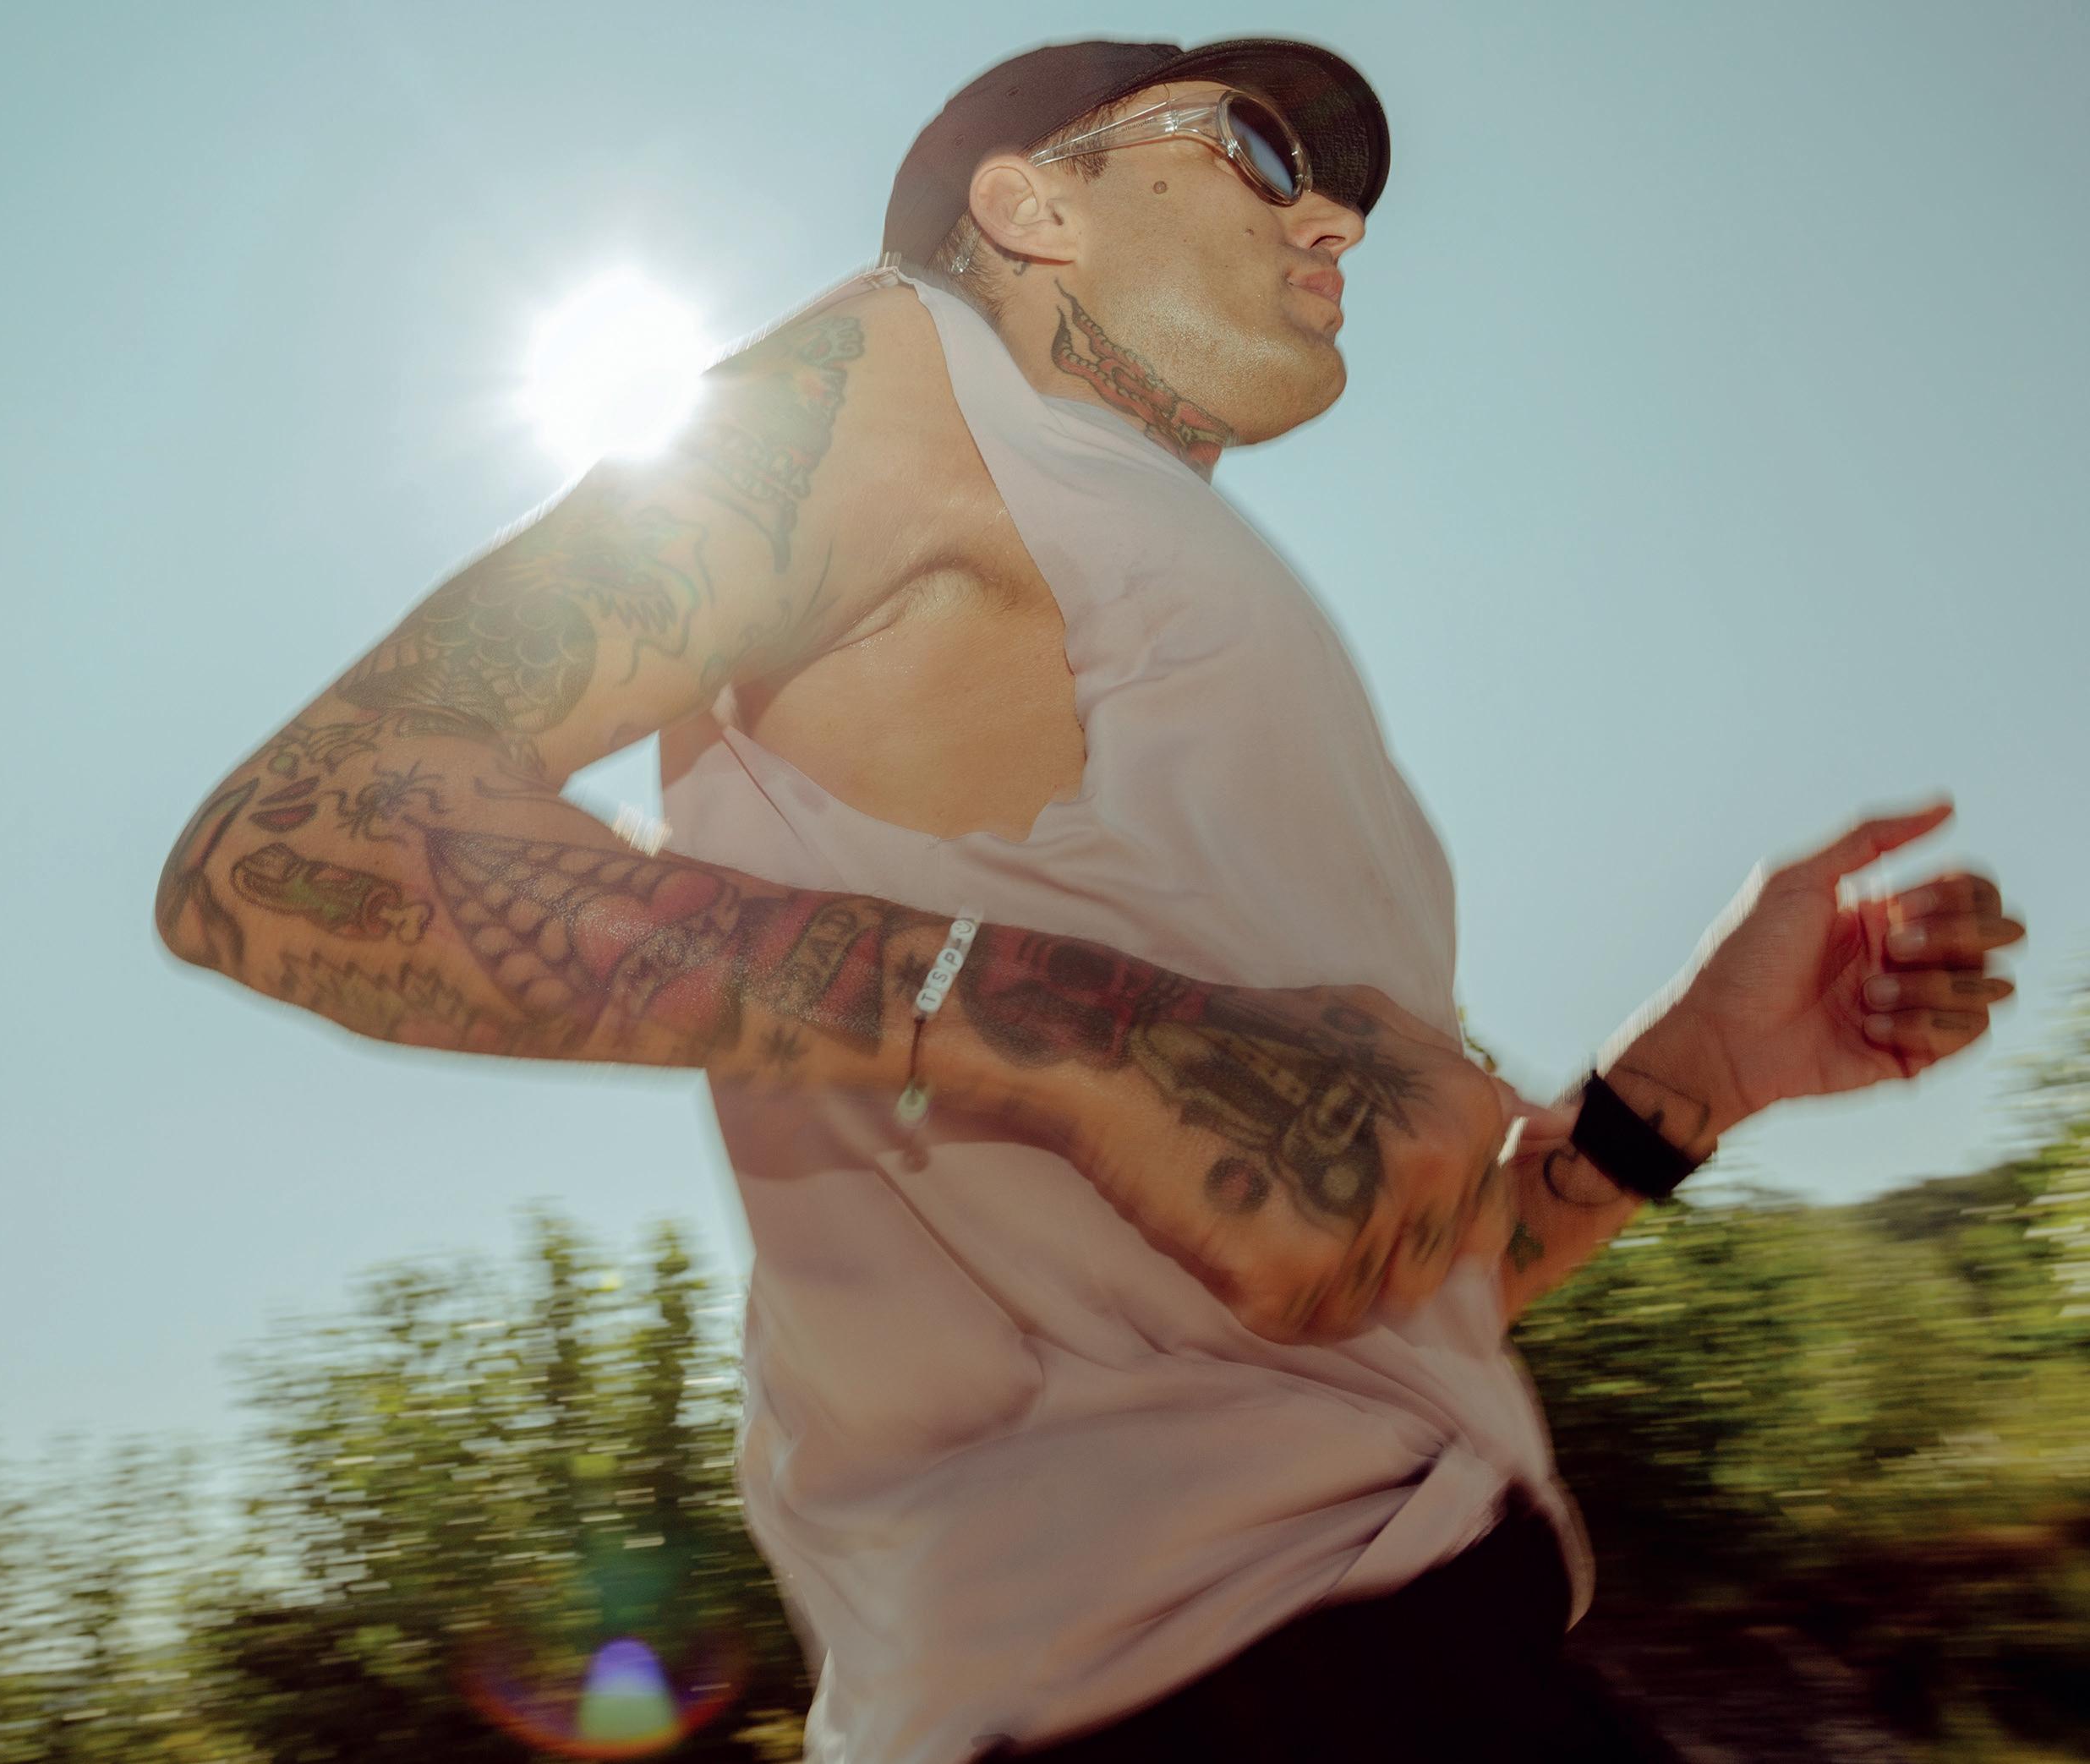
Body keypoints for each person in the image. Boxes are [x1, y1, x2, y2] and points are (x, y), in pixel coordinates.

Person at [154, 35, 2024, 1763]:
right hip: (1192, 1686)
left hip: (1402, 1620)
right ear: (1029, 206)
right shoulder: (894, 373)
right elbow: (293, 846)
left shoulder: (1154, 596)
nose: (1332, 221)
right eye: (1261, 152)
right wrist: (1090, 1039)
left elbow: (1352, 1280)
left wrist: (1689, 1080)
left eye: (1343, 198)